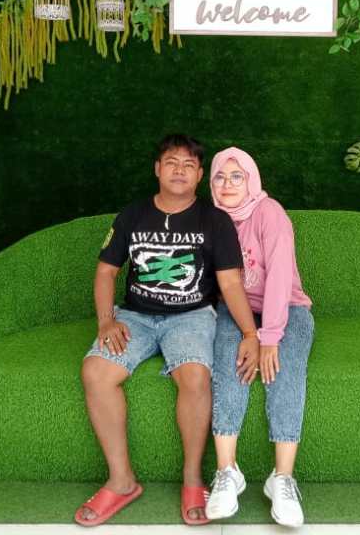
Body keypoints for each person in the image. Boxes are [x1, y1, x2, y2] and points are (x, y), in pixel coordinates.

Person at [75, 134, 261, 528]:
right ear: (157, 169)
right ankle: (122, 481)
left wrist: (250, 334)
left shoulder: (215, 220)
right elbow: (106, 272)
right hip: (135, 316)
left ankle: (192, 479)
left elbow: (230, 283)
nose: (180, 170)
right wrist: (106, 320)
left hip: (192, 315)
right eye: (172, 162)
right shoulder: (132, 215)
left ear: (200, 176)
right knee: (96, 371)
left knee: (194, 376)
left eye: (189, 165)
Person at [204, 147, 314, 529]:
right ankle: (227, 472)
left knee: (283, 368)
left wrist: (269, 337)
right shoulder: (210, 218)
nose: (228, 184)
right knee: (228, 361)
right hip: (235, 311)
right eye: (220, 176)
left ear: (251, 180)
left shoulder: (270, 213)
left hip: (287, 308)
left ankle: (282, 478)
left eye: (237, 176)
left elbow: (280, 277)